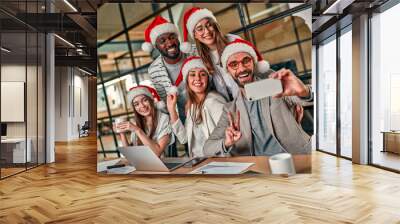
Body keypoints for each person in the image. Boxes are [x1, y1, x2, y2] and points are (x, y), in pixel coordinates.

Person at [204, 39, 313, 157]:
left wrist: (304, 91)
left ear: (254, 64)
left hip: (296, 156)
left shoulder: (275, 86)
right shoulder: (230, 110)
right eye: (234, 64)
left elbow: (307, 99)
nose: (241, 69)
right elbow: (207, 148)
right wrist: (226, 142)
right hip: (258, 167)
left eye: (246, 61)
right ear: (228, 71)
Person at [180, 7, 270, 102]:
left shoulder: (233, 41)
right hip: (228, 101)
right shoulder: (199, 56)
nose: (207, 31)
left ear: (215, 25)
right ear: (195, 35)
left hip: (251, 92)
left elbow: (254, 67)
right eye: (200, 29)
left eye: (209, 25)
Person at [166, 56, 226, 158]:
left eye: (202, 74)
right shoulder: (192, 106)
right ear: (187, 80)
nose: (197, 78)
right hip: (197, 161)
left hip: (216, 161)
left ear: (208, 79)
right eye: (192, 74)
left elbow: (227, 137)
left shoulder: (214, 102)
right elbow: (184, 138)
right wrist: (172, 109)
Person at [142, 15, 195, 122]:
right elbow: (164, 100)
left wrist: (194, 101)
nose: (170, 43)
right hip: (182, 120)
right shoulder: (154, 70)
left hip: (206, 108)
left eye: (172, 37)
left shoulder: (194, 52)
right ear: (156, 46)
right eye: (162, 41)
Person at [115, 85, 173, 157]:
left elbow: (157, 153)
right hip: (142, 164)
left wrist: (137, 130)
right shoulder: (137, 122)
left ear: (151, 100)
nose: (142, 106)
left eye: (145, 100)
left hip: (162, 165)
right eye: (136, 104)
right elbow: (130, 155)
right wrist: (122, 133)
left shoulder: (164, 119)